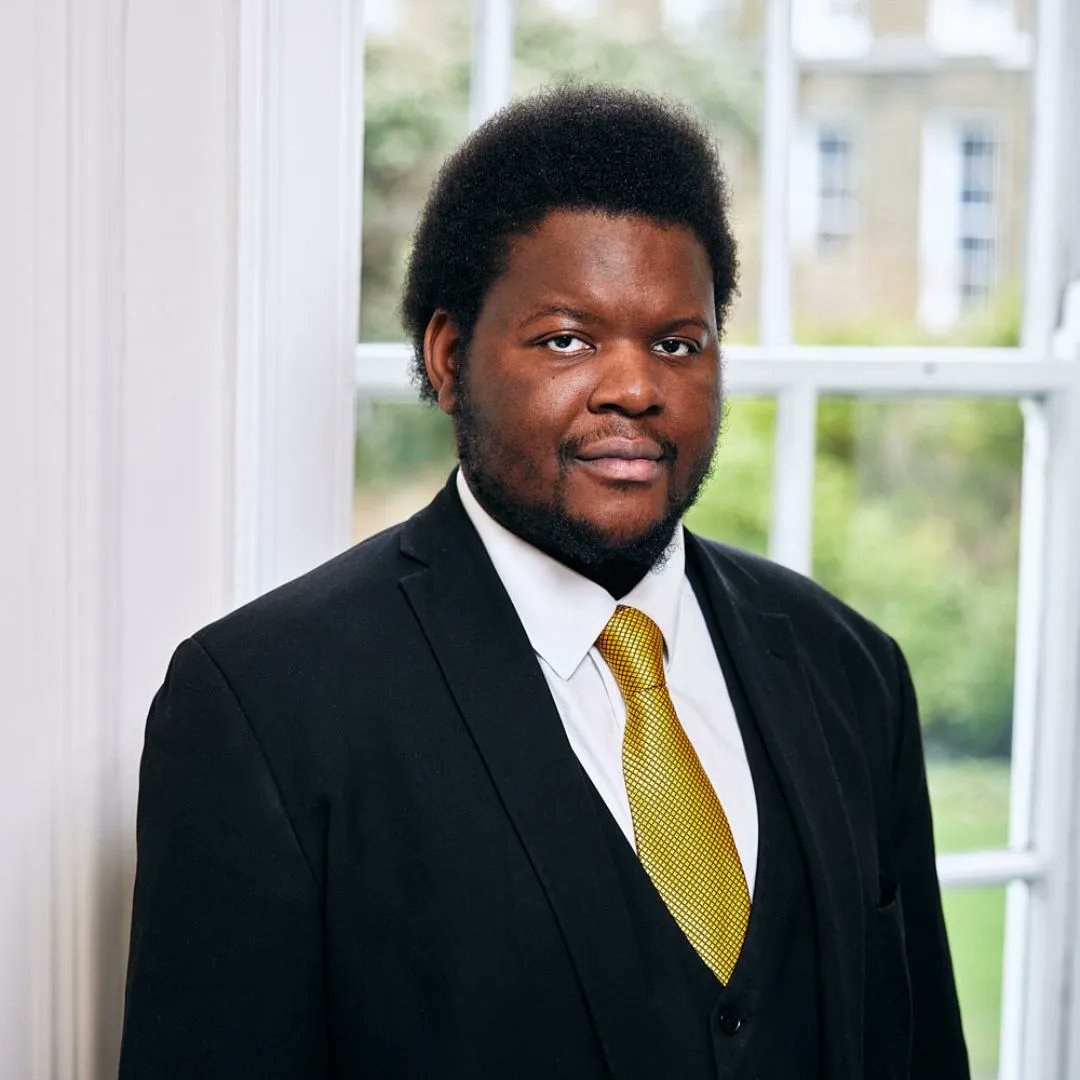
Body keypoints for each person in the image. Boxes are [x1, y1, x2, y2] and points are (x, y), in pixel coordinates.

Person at [119, 86, 970, 1079]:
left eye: (677, 343)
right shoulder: (264, 706)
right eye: (568, 339)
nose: (635, 388)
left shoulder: (850, 670)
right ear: (448, 359)